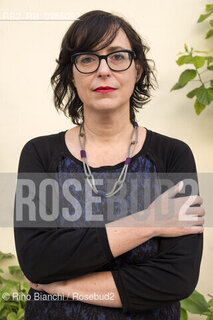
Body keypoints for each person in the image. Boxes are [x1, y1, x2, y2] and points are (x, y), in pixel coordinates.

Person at [14, 10, 205, 320]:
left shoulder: (173, 156)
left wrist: (61, 285)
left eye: (118, 57)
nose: (103, 70)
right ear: (71, 73)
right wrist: (149, 222)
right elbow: (37, 261)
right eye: (88, 59)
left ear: (138, 69)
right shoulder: (40, 154)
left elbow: (176, 278)